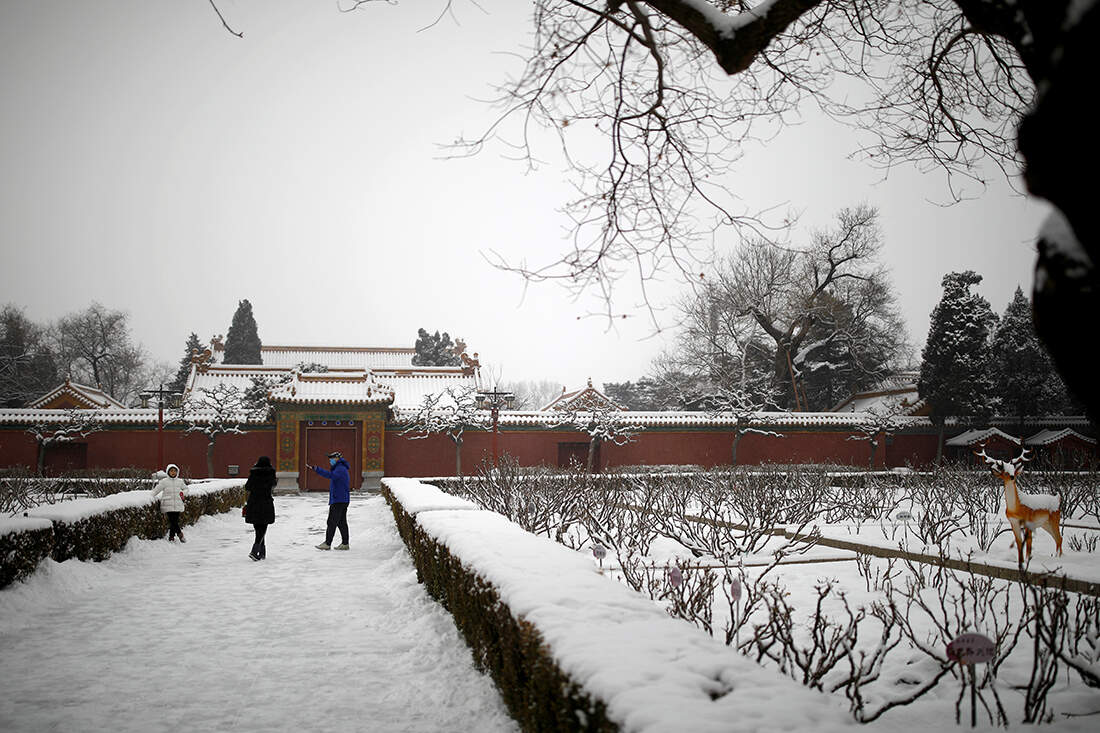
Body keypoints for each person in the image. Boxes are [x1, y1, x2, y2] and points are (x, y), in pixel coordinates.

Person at [308, 451, 350, 550]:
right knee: (341, 522)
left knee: (332, 522)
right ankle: (345, 544)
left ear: (337, 458)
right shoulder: (341, 468)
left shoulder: (340, 469)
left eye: (331, 458)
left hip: (338, 500)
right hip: (342, 499)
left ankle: (327, 543)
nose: (330, 461)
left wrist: (318, 469)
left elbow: (330, 475)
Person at [243, 455, 277, 561]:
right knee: (263, 526)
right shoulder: (270, 473)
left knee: (258, 527)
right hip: (266, 502)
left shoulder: (254, 473)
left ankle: (261, 551)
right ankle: (255, 550)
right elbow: (274, 484)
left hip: (254, 502)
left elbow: (247, 487)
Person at [151, 463, 187, 543]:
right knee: (173, 521)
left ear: (177, 472)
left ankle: (171, 537)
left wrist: (183, 493)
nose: (173, 472)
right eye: (171, 471)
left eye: (174, 471)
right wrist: (150, 496)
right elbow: (156, 490)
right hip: (167, 504)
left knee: (174, 522)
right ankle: (180, 534)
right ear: (168, 472)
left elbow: (186, 489)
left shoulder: (180, 481)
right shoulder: (164, 481)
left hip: (177, 504)